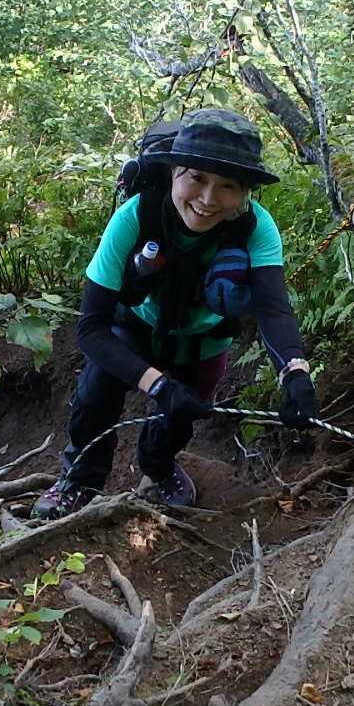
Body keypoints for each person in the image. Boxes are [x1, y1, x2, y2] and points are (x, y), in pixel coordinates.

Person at [32, 109, 318, 519]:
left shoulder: (256, 228)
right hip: (136, 326)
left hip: (204, 340)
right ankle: (78, 481)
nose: (208, 199)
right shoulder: (136, 216)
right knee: (95, 398)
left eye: (228, 185)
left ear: (245, 192)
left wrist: (295, 374)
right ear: (172, 172)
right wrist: (157, 384)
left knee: (177, 419)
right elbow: (92, 328)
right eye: (196, 178)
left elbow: (273, 308)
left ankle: (158, 468)